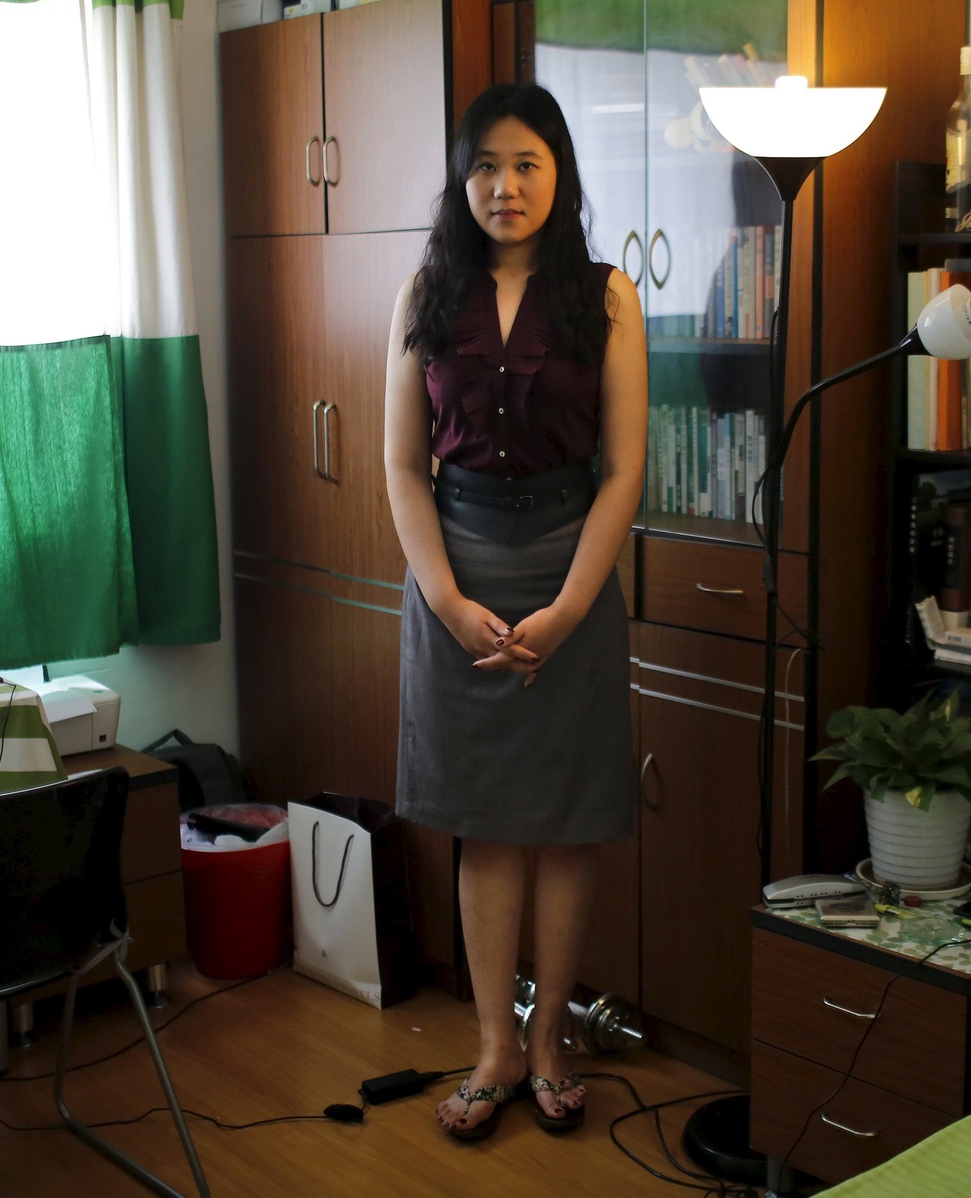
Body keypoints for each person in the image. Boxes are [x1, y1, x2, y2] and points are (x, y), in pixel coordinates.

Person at [382, 82, 646, 1142]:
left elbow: (623, 471)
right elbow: (402, 467)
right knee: (487, 823)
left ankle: (548, 1046)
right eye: (485, 165)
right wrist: (445, 599)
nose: (505, 185)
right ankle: (494, 1048)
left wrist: (573, 605)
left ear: (560, 174)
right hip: (456, 566)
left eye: (527, 163)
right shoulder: (422, 293)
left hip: (569, 567)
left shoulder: (607, 295)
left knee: (570, 822)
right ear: (462, 176)